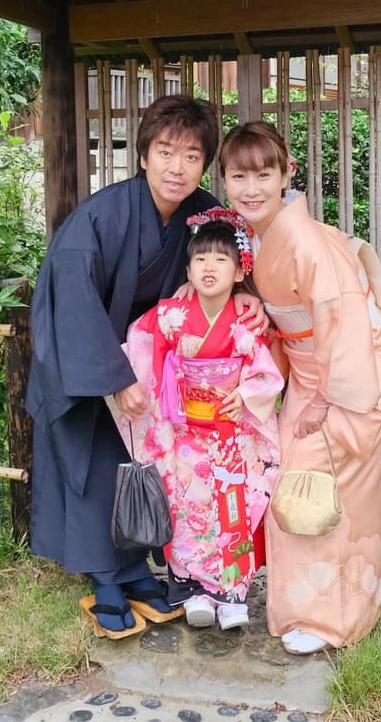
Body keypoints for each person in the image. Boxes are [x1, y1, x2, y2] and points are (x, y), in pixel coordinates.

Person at [27, 94, 233, 640]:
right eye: (165, 151)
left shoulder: (202, 216)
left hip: (151, 368)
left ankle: (136, 570)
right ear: (143, 155)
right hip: (86, 359)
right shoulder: (100, 216)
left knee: (143, 465)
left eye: (192, 155)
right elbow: (69, 298)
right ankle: (106, 579)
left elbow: (231, 269)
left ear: (204, 164)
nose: (177, 166)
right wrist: (114, 378)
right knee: (98, 466)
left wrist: (250, 300)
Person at [219, 121, 381, 656]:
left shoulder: (302, 240)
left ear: (286, 175)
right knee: (292, 475)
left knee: (322, 479)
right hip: (310, 365)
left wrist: (325, 399)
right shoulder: (258, 234)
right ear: (225, 180)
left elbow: (338, 315)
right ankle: (317, 605)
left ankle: (330, 617)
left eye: (263, 175)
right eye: (238, 177)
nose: (250, 189)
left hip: (351, 369)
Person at [114, 210, 283, 631]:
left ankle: (231, 593)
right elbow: (139, 340)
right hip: (183, 433)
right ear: (187, 269)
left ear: (240, 270)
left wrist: (244, 395)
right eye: (201, 259)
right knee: (185, 506)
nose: (209, 267)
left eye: (221, 259)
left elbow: (265, 372)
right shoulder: (172, 315)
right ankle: (190, 589)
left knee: (232, 508)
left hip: (230, 433)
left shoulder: (244, 319)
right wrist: (150, 386)